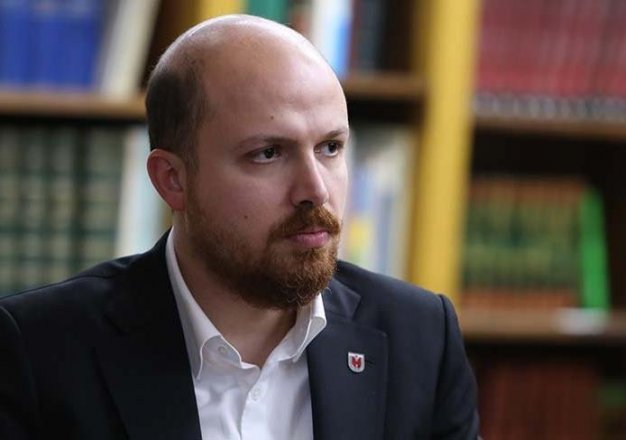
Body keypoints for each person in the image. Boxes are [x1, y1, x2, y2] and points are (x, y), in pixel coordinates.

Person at [0, 15, 479, 440]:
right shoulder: (39, 352)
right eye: (267, 154)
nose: (315, 190)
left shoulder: (420, 338)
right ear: (173, 180)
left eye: (330, 148)